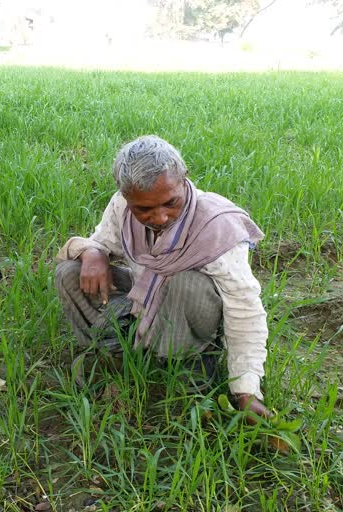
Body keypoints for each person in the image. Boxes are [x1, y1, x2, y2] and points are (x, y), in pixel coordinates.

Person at [54, 135, 271, 420]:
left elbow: (244, 309)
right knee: (69, 272)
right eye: (143, 209)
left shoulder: (217, 227)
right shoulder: (121, 207)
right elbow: (100, 242)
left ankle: (185, 366)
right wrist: (91, 251)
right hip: (144, 301)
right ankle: (116, 353)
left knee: (182, 281)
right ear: (125, 196)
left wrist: (246, 391)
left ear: (184, 179)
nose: (159, 218)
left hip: (193, 318)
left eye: (170, 203)